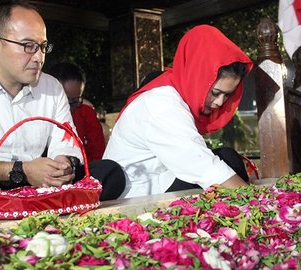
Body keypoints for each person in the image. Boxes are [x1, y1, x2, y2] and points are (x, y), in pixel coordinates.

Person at [0, 0, 125, 217]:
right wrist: (21, 171)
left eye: (43, 47)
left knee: (109, 172)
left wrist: (64, 164)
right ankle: (35, 214)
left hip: (40, 190)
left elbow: (66, 143)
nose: (39, 57)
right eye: (28, 46)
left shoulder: (51, 87)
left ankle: (35, 211)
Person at [103, 25, 254, 198]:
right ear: (197, 77)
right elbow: (201, 165)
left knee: (227, 159)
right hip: (136, 195)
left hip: (162, 180)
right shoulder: (161, 103)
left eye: (227, 95)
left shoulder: (173, 94)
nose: (219, 102)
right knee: (227, 163)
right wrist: (259, 203)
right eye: (215, 93)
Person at [49, 63, 106, 162]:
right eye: (65, 101)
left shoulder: (86, 114)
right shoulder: (38, 113)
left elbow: (97, 156)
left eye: (75, 101)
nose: (68, 107)